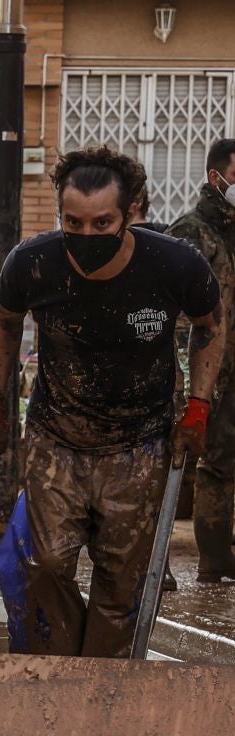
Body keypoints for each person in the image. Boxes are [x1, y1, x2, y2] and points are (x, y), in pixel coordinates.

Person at [0, 146, 222, 657]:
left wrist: (197, 407)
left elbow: (210, 328)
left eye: (101, 223)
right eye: (74, 222)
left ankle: (105, 684)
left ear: (131, 212)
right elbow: (2, 323)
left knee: (122, 581)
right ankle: (60, 670)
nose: (86, 236)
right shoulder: (33, 263)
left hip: (141, 440)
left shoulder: (175, 264)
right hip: (57, 434)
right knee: (43, 563)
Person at [168, 137, 235, 583]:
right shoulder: (191, 232)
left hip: (230, 370)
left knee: (221, 462)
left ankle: (215, 561)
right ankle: (149, 562)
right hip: (194, 371)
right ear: (217, 177)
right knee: (171, 462)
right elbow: (170, 309)